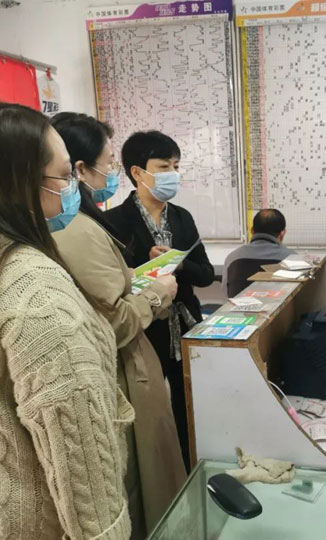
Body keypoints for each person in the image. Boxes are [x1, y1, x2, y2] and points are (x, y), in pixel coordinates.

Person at [0, 101, 131, 538]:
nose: (73, 188)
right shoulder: (33, 288)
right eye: (64, 176)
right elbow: (82, 463)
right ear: (17, 183)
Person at [50, 112, 186, 537]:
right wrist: (156, 293)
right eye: (108, 162)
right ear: (77, 169)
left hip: (143, 351)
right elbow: (112, 319)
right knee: (141, 486)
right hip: (122, 369)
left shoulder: (176, 216)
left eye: (176, 166)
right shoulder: (75, 227)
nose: (111, 172)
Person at [105, 130, 214, 470]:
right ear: (138, 172)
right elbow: (112, 282)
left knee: (189, 404)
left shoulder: (182, 217)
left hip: (185, 326)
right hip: (144, 328)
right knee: (149, 408)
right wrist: (147, 267)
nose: (173, 174)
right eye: (164, 167)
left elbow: (206, 274)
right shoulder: (113, 222)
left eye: (176, 166)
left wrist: (178, 264)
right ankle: (160, 474)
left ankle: (190, 465)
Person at [221, 209, 296, 297]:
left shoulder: (233, 257)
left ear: (252, 231)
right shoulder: (293, 259)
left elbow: (225, 292)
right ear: (282, 233)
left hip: (237, 305)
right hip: (280, 305)